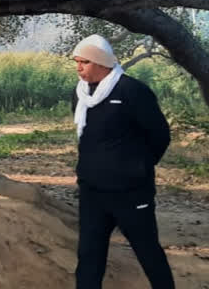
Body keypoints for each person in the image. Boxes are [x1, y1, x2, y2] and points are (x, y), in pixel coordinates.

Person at [71, 34, 174, 289]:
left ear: (101, 62)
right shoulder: (80, 95)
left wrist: (137, 167)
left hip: (130, 193)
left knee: (148, 252)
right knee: (89, 257)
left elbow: (160, 135)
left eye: (84, 62)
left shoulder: (132, 91)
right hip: (92, 192)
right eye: (76, 62)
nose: (79, 68)